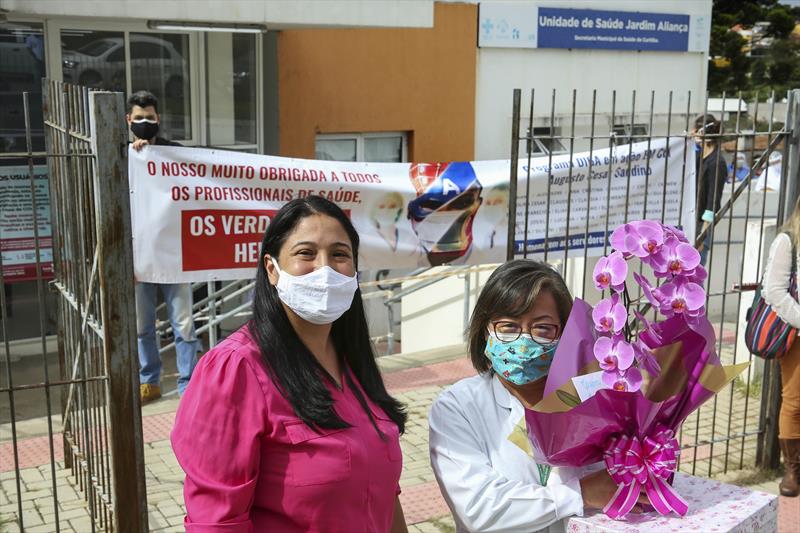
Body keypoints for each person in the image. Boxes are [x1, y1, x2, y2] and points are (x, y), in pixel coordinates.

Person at [171, 196, 409, 531]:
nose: (324, 269)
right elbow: (217, 521)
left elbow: (385, 495)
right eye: (306, 253)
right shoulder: (235, 369)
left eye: (339, 254)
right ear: (272, 269)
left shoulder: (352, 360)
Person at [429, 260, 645, 532]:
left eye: (542, 328)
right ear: (485, 331)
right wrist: (580, 494)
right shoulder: (457, 407)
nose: (523, 342)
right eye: (507, 327)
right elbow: (479, 508)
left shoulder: (595, 399)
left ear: (565, 333)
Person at [127, 90, 199, 403]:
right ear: (128, 120)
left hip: (174, 254)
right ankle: (150, 381)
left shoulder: (174, 153)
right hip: (140, 255)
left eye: (150, 118)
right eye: (139, 118)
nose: (145, 123)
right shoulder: (122, 154)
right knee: (143, 325)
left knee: (183, 323)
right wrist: (135, 156)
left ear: (159, 120)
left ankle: (189, 384)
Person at [762, 195, 800, 497]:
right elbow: (773, 291)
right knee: (795, 401)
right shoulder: (788, 242)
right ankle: (793, 470)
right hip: (797, 333)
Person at [692, 114, 729, 266]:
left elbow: (712, 204)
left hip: (701, 226)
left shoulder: (717, 163)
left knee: (694, 277)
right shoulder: (699, 157)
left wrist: (702, 235)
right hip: (690, 222)